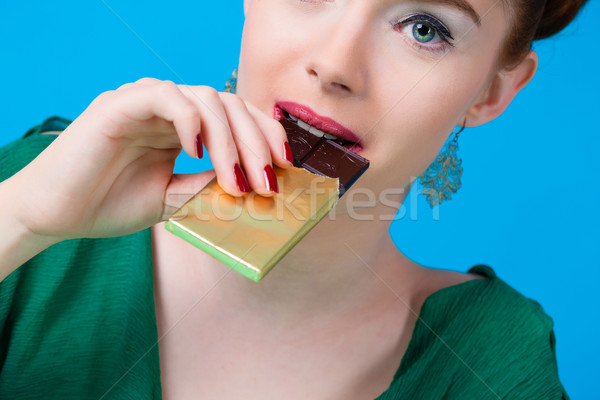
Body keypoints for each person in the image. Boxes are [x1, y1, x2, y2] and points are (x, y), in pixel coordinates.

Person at [0, 0, 588, 398]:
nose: (334, 65)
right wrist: (23, 220)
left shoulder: (489, 361)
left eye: (425, 28)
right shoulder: (37, 190)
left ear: (490, 92)